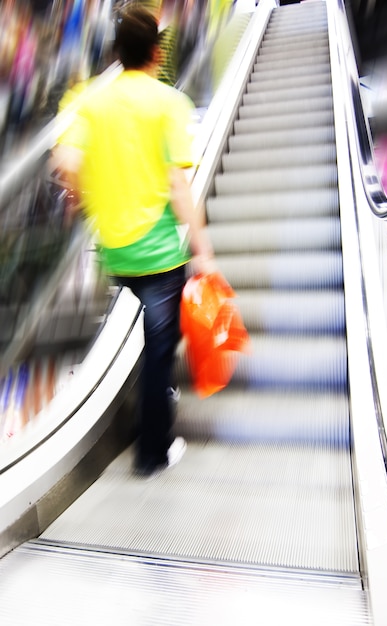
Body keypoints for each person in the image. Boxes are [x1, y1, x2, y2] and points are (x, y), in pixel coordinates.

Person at [54, 3, 216, 477]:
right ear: (156, 51)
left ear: (117, 52)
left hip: (114, 249)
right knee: (160, 349)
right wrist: (202, 250)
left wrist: (88, 201)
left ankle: (151, 401)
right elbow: (177, 186)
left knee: (142, 339)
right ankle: (152, 452)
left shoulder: (89, 99)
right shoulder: (168, 102)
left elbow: (65, 161)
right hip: (160, 254)